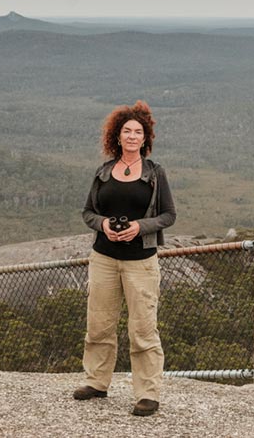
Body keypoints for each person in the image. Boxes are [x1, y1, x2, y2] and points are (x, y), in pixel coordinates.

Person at [71, 100, 176, 417]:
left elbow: (169, 215)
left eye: (138, 132)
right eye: (126, 131)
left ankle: (148, 393)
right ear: (116, 137)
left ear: (146, 139)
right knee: (99, 325)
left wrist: (137, 228)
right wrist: (103, 224)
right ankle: (96, 382)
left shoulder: (155, 174)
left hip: (140, 260)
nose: (132, 136)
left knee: (143, 328)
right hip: (103, 258)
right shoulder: (103, 173)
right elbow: (88, 212)